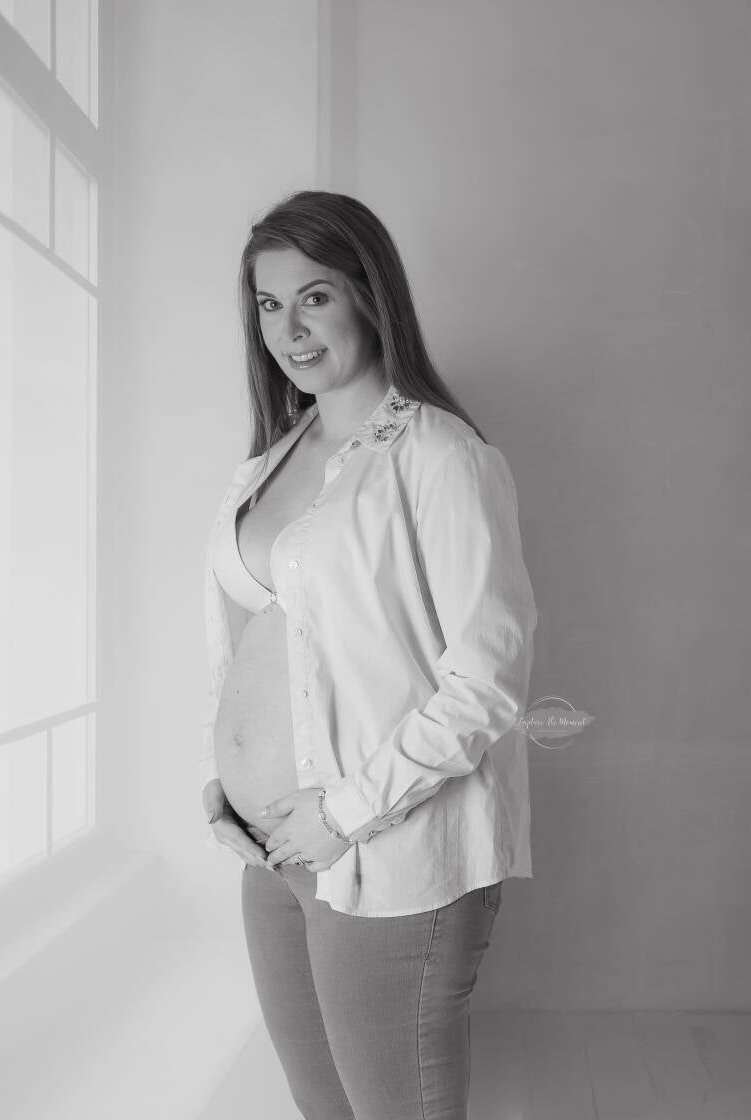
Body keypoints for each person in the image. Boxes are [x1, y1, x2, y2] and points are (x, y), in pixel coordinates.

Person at [199, 189, 538, 1120]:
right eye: (269, 304)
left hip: (383, 854)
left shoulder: (440, 456)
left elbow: (488, 683)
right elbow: (244, 646)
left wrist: (342, 813)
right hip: (271, 851)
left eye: (314, 297)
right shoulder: (268, 463)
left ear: (369, 293)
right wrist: (221, 781)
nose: (289, 330)